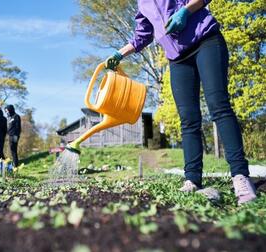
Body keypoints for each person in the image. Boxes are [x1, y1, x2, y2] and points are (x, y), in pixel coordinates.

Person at [106, 0, 256, 204]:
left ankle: (240, 176)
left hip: (206, 41)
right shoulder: (142, 4)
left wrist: (185, 11)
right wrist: (119, 53)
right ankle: (192, 180)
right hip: (177, 59)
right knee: (188, 120)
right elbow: (142, 36)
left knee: (219, 107)